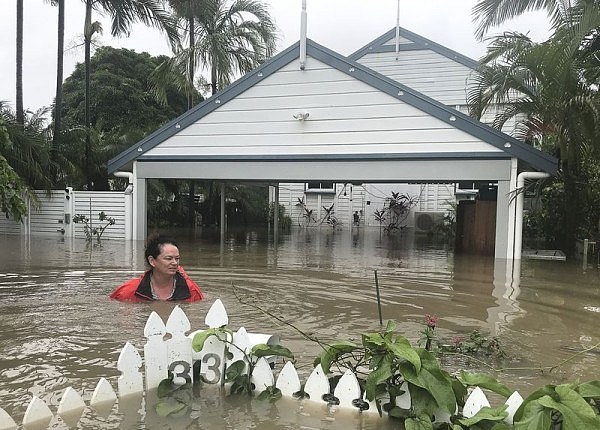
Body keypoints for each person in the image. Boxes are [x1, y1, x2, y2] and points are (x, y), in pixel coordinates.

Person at [110, 234, 204, 302]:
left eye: (177, 258)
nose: (175, 263)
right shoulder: (128, 291)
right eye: (169, 258)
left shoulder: (191, 290)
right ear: (152, 261)